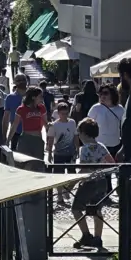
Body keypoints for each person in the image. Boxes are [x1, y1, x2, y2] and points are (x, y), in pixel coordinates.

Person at [72, 117, 115, 248]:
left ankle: (86, 234)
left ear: (84, 134)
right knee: (97, 210)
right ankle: (98, 238)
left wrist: (72, 183)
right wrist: (102, 170)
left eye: (79, 133)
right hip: (101, 182)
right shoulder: (101, 146)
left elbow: (84, 169)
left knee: (76, 209)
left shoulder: (84, 149)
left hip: (89, 183)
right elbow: (112, 163)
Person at [46, 101, 79, 204]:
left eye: (66, 113)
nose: (64, 116)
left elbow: (75, 136)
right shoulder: (54, 125)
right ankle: (59, 196)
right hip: (59, 154)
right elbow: (50, 139)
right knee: (59, 175)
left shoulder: (72, 122)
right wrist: (50, 153)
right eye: (62, 113)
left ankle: (66, 190)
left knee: (72, 175)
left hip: (70, 153)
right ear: (58, 113)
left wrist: (77, 148)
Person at [8, 86, 48, 159]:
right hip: (25, 139)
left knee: (38, 164)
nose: (42, 98)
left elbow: (46, 124)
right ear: (33, 97)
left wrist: (48, 141)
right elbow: (14, 125)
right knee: (24, 163)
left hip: (38, 139)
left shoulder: (42, 108)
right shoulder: (21, 109)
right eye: (40, 96)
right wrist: (8, 140)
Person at [87, 84, 125, 156]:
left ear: (112, 94)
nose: (102, 96)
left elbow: (124, 126)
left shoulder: (120, 109)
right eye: (100, 93)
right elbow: (87, 125)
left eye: (105, 93)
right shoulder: (96, 108)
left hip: (115, 145)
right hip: (99, 145)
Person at [1, 74, 28, 149]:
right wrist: (4, 136)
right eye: (19, 80)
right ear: (15, 83)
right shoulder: (10, 97)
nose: (21, 82)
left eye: (23, 80)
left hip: (32, 134)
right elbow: (5, 118)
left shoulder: (33, 96)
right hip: (15, 133)